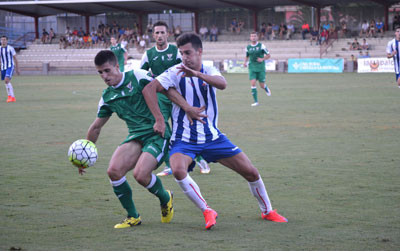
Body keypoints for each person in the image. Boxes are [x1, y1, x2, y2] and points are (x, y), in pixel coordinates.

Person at [142, 32, 288, 230]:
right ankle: (207, 210)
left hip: (212, 137)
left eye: (188, 53)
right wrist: (159, 119)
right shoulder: (175, 71)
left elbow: (223, 84)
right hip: (184, 138)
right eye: (182, 53)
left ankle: (268, 211)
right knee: (177, 169)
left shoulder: (209, 68)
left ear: (199, 52)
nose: (184, 57)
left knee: (251, 172)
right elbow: (149, 89)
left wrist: (198, 75)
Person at [81, 50, 177, 228]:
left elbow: (165, 89)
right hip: (135, 136)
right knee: (114, 171)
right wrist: (85, 154)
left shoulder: (138, 76)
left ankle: (166, 198)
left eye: (107, 70)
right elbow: (96, 127)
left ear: (117, 66)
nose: (104, 76)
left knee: (140, 175)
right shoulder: (107, 97)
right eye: (100, 72)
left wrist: (164, 118)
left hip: (157, 134)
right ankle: (133, 216)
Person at [140, 21, 210, 176]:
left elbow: (187, 70)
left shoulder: (176, 52)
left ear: (168, 34)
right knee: (163, 130)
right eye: (156, 33)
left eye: (162, 32)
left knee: (187, 129)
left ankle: (199, 158)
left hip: (178, 97)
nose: (159, 35)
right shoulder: (148, 54)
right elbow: (141, 76)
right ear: (153, 35)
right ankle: (169, 164)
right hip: (160, 98)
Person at [243, 31, 271, 106]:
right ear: (250, 37)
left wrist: (262, 59)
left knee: (261, 85)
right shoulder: (248, 47)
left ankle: (265, 88)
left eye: (254, 36)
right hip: (252, 67)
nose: (253, 37)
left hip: (260, 67)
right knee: (253, 83)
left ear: (257, 37)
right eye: (252, 36)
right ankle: (256, 102)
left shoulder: (261, 46)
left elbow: (268, 55)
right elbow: (247, 56)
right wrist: (245, 62)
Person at [0, 36, 19, 103]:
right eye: (2, 40)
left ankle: (11, 97)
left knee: (6, 80)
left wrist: (17, 68)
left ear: (7, 41)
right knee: (6, 82)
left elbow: (15, 59)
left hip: (10, 66)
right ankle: (10, 96)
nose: (3, 41)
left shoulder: (10, 48)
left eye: (4, 40)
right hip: (3, 67)